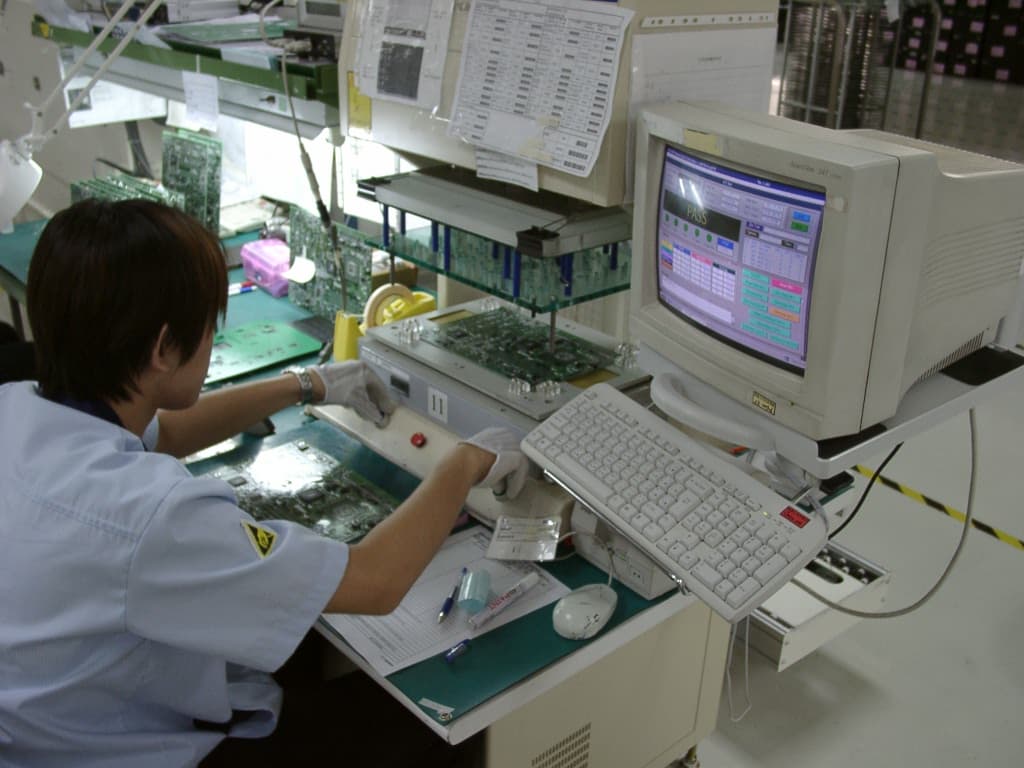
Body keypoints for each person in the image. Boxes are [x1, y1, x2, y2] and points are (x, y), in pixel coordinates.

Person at [0, 199, 528, 767]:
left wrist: (307, 384)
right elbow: (376, 583)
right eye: (209, 326)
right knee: (443, 721)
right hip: (121, 750)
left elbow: (165, 431)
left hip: (35, 728)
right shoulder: (153, 517)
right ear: (163, 349)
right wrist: (464, 462)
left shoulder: (17, 407)